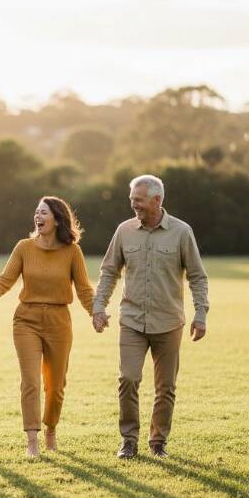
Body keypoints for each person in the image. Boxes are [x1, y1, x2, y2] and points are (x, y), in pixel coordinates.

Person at [92, 174, 209, 460]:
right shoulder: (124, 230)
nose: (134, 206)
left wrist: (201, 313)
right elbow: (109, 271)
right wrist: (98, 306)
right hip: (131, 320)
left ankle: (158, 442)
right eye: (132, 200)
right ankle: (128, 441)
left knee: (165, 387)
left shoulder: (181, 232)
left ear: (157, 200)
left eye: (139, 200)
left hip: (169, 322)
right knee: (128, 379)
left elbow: (197, 276)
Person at [0, 197, 94, 458]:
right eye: (36, 212)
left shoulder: (72, 252)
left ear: (57, 218)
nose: (38, 217)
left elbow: (84, 289)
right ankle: (32, 440)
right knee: (31, 380)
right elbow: (6, 279)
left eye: (43, 213)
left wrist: (95, 313)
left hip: (59, 321)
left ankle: (50, 429)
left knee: (55, 385)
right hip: (26, 320)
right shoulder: (24, 247)